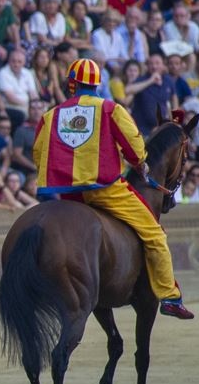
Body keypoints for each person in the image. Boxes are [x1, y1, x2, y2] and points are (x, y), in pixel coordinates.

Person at [34, 59, 192, 320]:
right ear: (97, 85)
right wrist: (139, 163)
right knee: (155, 235)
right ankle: (169, 296)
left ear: (72, 84)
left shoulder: (51, 115)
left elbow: (38, 153)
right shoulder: (110, 109)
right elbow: (136, 147)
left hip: (67, 195)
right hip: (105, 190)